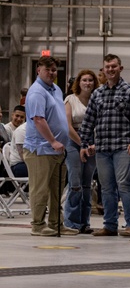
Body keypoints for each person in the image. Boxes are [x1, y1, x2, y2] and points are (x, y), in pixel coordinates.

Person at [79, 53, 130, 238]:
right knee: (106, 188)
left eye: (114, 66)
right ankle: (109, 225)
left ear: (120, 68)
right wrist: (84, 144)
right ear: (103, 70)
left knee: (124, 184)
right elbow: (88, 121)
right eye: (107, 67)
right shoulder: (97, 94)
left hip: (123, 146)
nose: (110, 69)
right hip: (102, 148)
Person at [23, 56, 72, 237]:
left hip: (57, 150)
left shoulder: (56, 89)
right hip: (41, 149)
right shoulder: (37, 92)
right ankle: (37, 225)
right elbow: (38, 119)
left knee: (56, 191)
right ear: (38, 70)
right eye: (48, 69)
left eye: (54, 70)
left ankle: (56, 224)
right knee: (40, 190)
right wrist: (52, 141)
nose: (51, 73)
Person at [64, 68, 98, 233]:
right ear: (79, 82)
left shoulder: (97, 100)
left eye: (90, 80)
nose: (87, 83)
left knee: (87, 184)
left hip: (92, 142)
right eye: (84, 80)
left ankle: (85, 222)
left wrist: (94, 144)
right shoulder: (70, 99)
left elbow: (102, 124)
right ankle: (72, 221)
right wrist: (82, 143)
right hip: (73, 141)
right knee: (75, 183)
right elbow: (67, 126)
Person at [4, 105, 28, 177]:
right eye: (17, 116)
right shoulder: (7, 129)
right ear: (12, 115)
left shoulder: (25, 129)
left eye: (22, 117)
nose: (19, 119)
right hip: (16, 163)